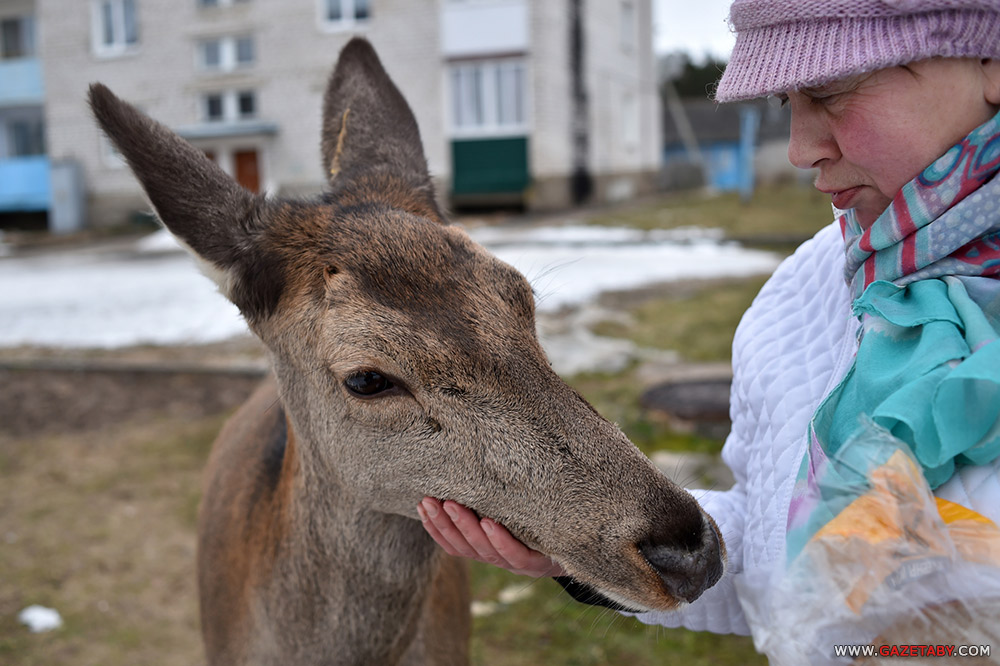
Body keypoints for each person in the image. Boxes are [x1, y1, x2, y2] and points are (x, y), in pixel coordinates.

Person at [418, 0, 1000, 657]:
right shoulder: (798, 302)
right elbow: (768, 554)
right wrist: (587, 552)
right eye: (787, 103)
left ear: (988, 59)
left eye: (831, 91)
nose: (801, 148)